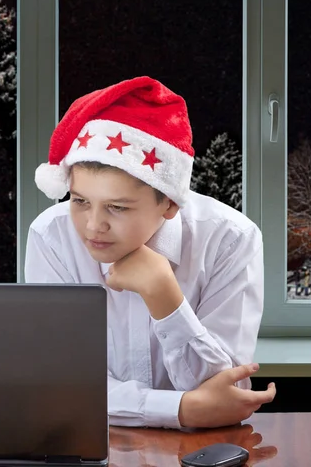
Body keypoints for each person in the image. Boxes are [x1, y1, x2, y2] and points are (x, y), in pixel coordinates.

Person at [25, 76, 276, 429]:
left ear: (170, 203)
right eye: (80, 201)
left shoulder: (231, 239)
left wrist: (164, 296)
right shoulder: (51, 237)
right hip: (85, 441)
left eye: (117, 207)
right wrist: (180, 410)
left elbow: (224, 391)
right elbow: (61, 384)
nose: (93, 226)